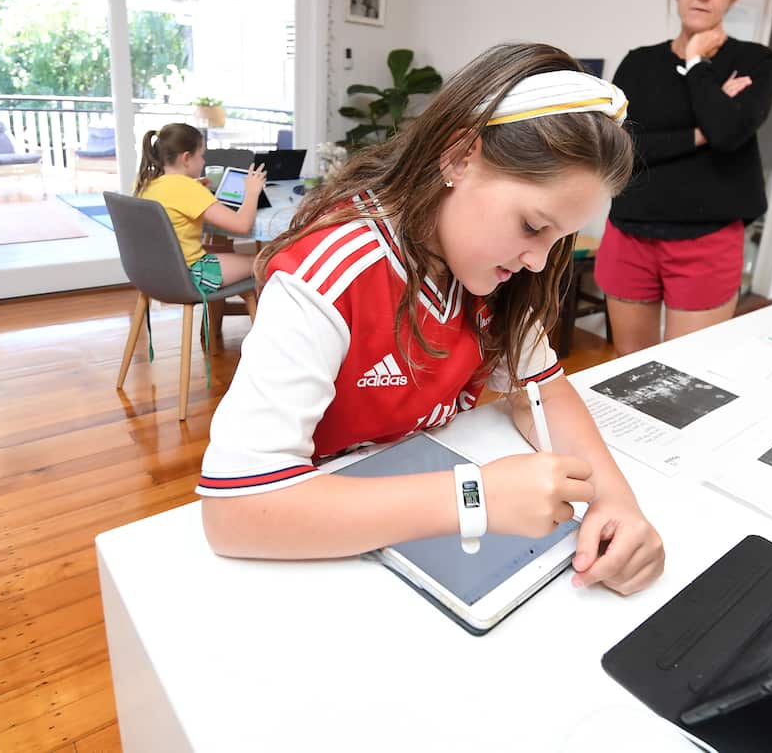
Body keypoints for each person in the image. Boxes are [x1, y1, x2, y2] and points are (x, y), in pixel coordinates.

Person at [199, 43, 665, 596]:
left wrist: (614, 499)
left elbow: (540, 392)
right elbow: (236, 511)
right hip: (316, 542)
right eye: (532, 226)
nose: (538, 260)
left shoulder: (499, 272)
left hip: (411, 522)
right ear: (459, 157)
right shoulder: (329, 274)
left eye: (559, 238)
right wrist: (475, 498)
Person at [596, 0, 772, 356]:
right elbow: (618, 145)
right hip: (630, 232)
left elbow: (730, 134)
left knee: (684, 374)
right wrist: (700, 132)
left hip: (707, 240)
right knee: (629, 368)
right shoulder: (640, 62)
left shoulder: (754, 61)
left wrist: (697, 65)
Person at [134, 122, 266, 291]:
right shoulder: (189, 189)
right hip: (191, 276)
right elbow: (242, 225)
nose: (203, 161)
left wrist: (193, 188)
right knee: (265, 260)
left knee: (225, 249)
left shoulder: (146, 184)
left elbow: (175, 194)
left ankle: (219, 314)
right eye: (201, 155)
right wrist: (252, 192)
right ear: (186, 158)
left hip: (155, 272)